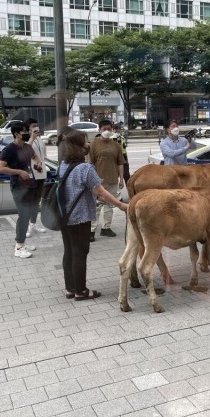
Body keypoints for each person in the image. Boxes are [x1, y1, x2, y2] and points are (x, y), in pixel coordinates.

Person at [59, 129, 128, 300]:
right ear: (79, 146)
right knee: (80, 253)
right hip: (80, 216)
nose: (88, 144)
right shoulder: (85, 168)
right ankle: (81, 291)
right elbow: (101, 192)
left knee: (69, 251)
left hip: (64, 215)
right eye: (85, 141)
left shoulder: (63, 165)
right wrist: (120, 204)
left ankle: (70, 289)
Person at [0, 123, 42, 258]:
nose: (28, 133)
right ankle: (19, 247)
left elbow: (35, 157)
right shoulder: (9, 150)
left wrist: (38, 163)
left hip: (31, 184)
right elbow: (1, 168)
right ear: (16, 134)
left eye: (28, 131)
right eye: (25, 131)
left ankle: (22, 243)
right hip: (19, 187)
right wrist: (19, 172)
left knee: (27, 215)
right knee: (23, 216)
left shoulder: (27, 147)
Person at [89, 119, 125, 241]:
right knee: (96, 206)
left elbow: (120, 163)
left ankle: (106, 228)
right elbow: (90, 164)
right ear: (99, 130)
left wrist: (121, 179)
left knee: (109, 205)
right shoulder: (93, 144)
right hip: (97, 181)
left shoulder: (115, 145)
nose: (107, 131)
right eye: (104, 129)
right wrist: (92, 181)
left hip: (113, 180)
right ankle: (91, 230)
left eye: (109, 129)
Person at [25, 118, 47, 239]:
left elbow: (43, 156)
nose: (36, 127)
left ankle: (33, 224)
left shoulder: (40, 139)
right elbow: (25, 152)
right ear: (28, 128)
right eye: (33, 126)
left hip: (41, 173)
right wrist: (32, 138)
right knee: (29, 200)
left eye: (37, 125)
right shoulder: (26, 140)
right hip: (31, 174)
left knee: (37, 200)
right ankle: (26, 226)